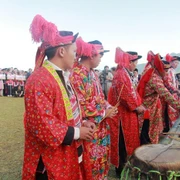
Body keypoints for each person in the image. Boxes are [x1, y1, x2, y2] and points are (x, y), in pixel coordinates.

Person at [22, 15, 94, 180]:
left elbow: (64, 113)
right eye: (74, 52)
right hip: (49, 160)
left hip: (67, 151)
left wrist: (82, 123)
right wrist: (78, 132)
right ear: (62, 51)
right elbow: (42, 125)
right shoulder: (39, 79)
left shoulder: (63, 76)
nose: (76, 57)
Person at [70, 37, 117, 179]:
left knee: (101, 160)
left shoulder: (92, 73)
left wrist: (109, 106)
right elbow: (79, 104)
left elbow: (100, 97)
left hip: (101, 127)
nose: (102, 59)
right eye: (101, 54)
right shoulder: (77, 74)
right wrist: (104, 112)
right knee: (90, 163)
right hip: (89, 129)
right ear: (92, 54)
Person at [108, 48, 145, 177]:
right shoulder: (121, 74)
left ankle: (126, 167)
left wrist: (138, 104)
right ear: (129, 62)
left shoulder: (124, 73)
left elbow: (131, 93)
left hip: (126, 114)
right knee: (122, 143)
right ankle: (121, 170)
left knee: (126, 143)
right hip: (121, 117)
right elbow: (126, 96)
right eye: (134, 62)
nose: (135, 64)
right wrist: (137, 107)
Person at [137, 51, 180, 144]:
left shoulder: (152, 72)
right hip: (148, 109)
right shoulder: (155, 78)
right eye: (166, 71)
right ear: (161, 69)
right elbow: (166, 95)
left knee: (150, 131)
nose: (167, 73)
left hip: (150, 106)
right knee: (147, 133)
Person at [162, 53, 180, 131]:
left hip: (174, 95)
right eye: (175, 62)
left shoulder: (173, 71)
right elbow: (168, 83)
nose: (177, 64)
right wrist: (176, 90)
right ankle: (171, 129)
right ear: (170, 62)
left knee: (175, 112)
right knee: (171, 113)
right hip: (170, 95)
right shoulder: (169, 71)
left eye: (178, 63)